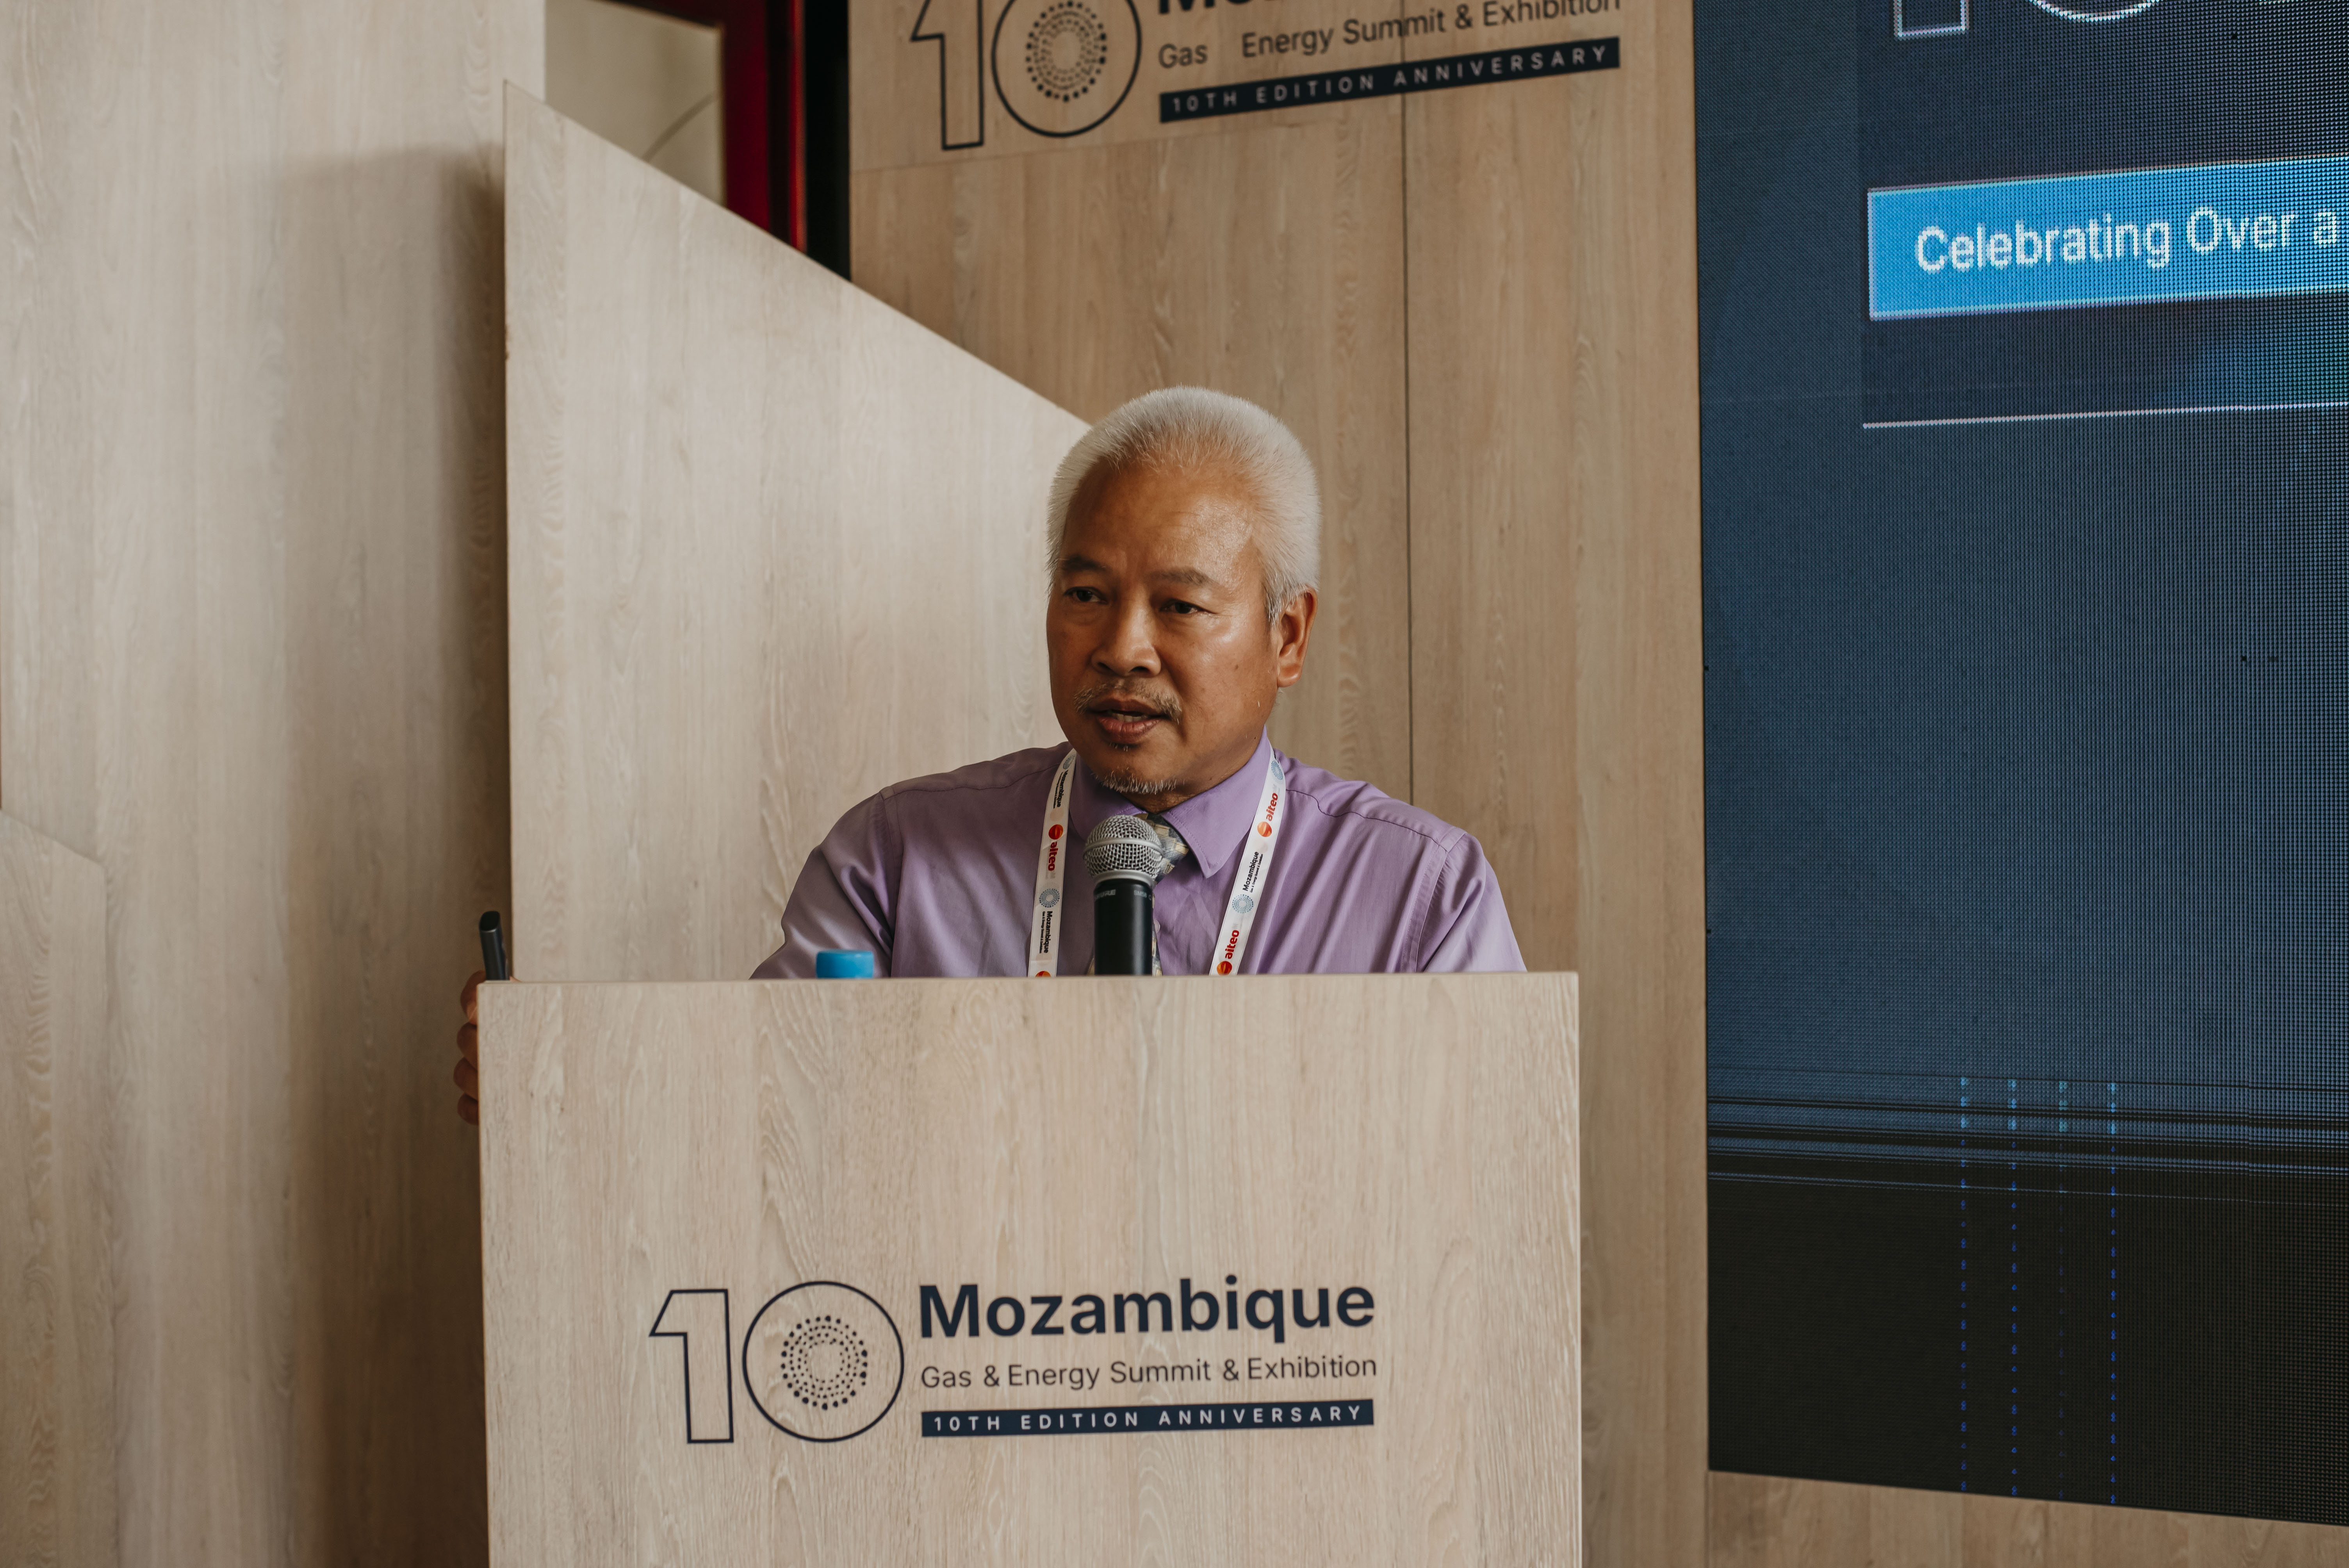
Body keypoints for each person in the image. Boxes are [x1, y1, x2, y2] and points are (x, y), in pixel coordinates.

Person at [454, 388, 1520, 1122]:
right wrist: (562, 1086)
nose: (1122, 649)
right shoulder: (895, 861)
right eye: (1086, 593)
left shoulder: (1419, 894)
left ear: (1288, 636)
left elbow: (1485, 1196)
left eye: (1181, 606)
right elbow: (763, 1116)